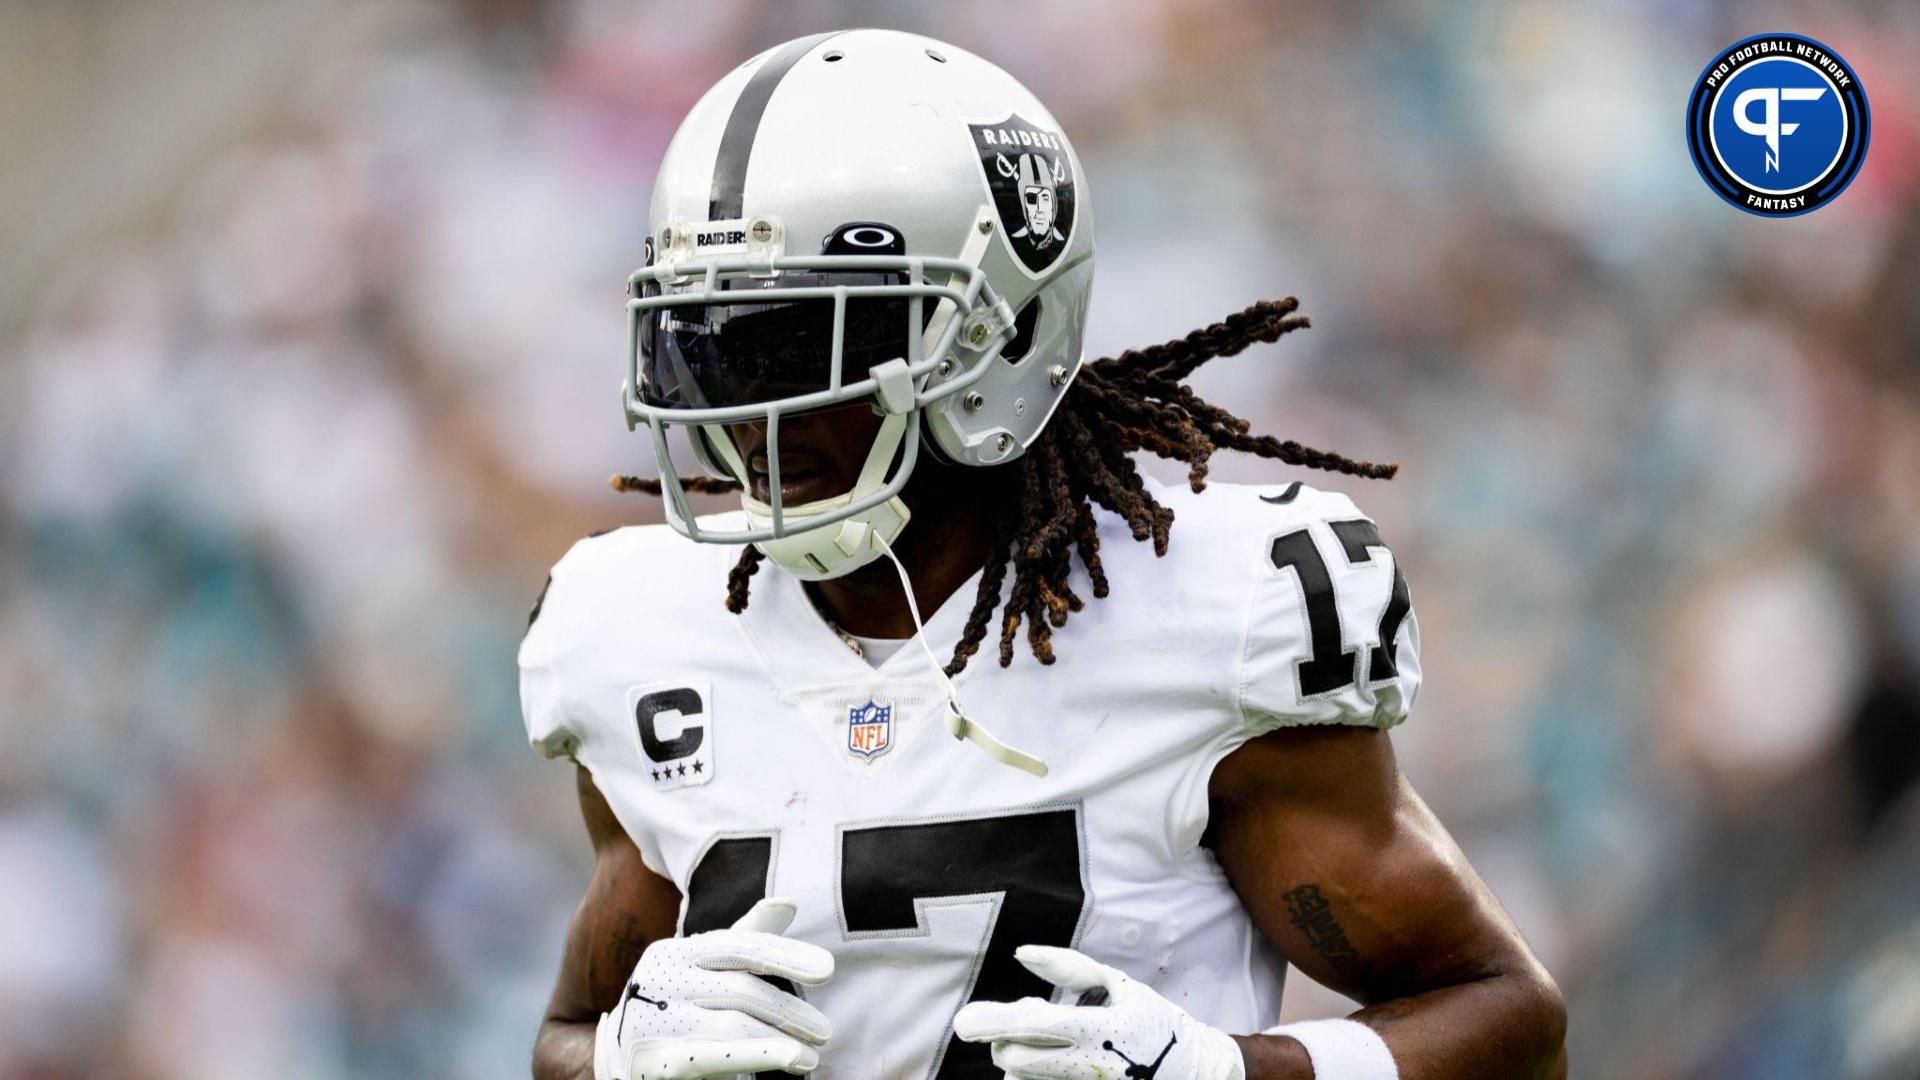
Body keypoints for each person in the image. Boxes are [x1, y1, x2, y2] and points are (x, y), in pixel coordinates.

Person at [521, 27, 1564, 1080]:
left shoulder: (1217, 612)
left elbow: (1512, 1024)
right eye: (704, 349)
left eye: (798, 343)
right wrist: (616, 1061)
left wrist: (1230, 1072)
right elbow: (564, 1038)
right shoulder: (633, 634)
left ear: (999, 336)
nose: (753, 413)